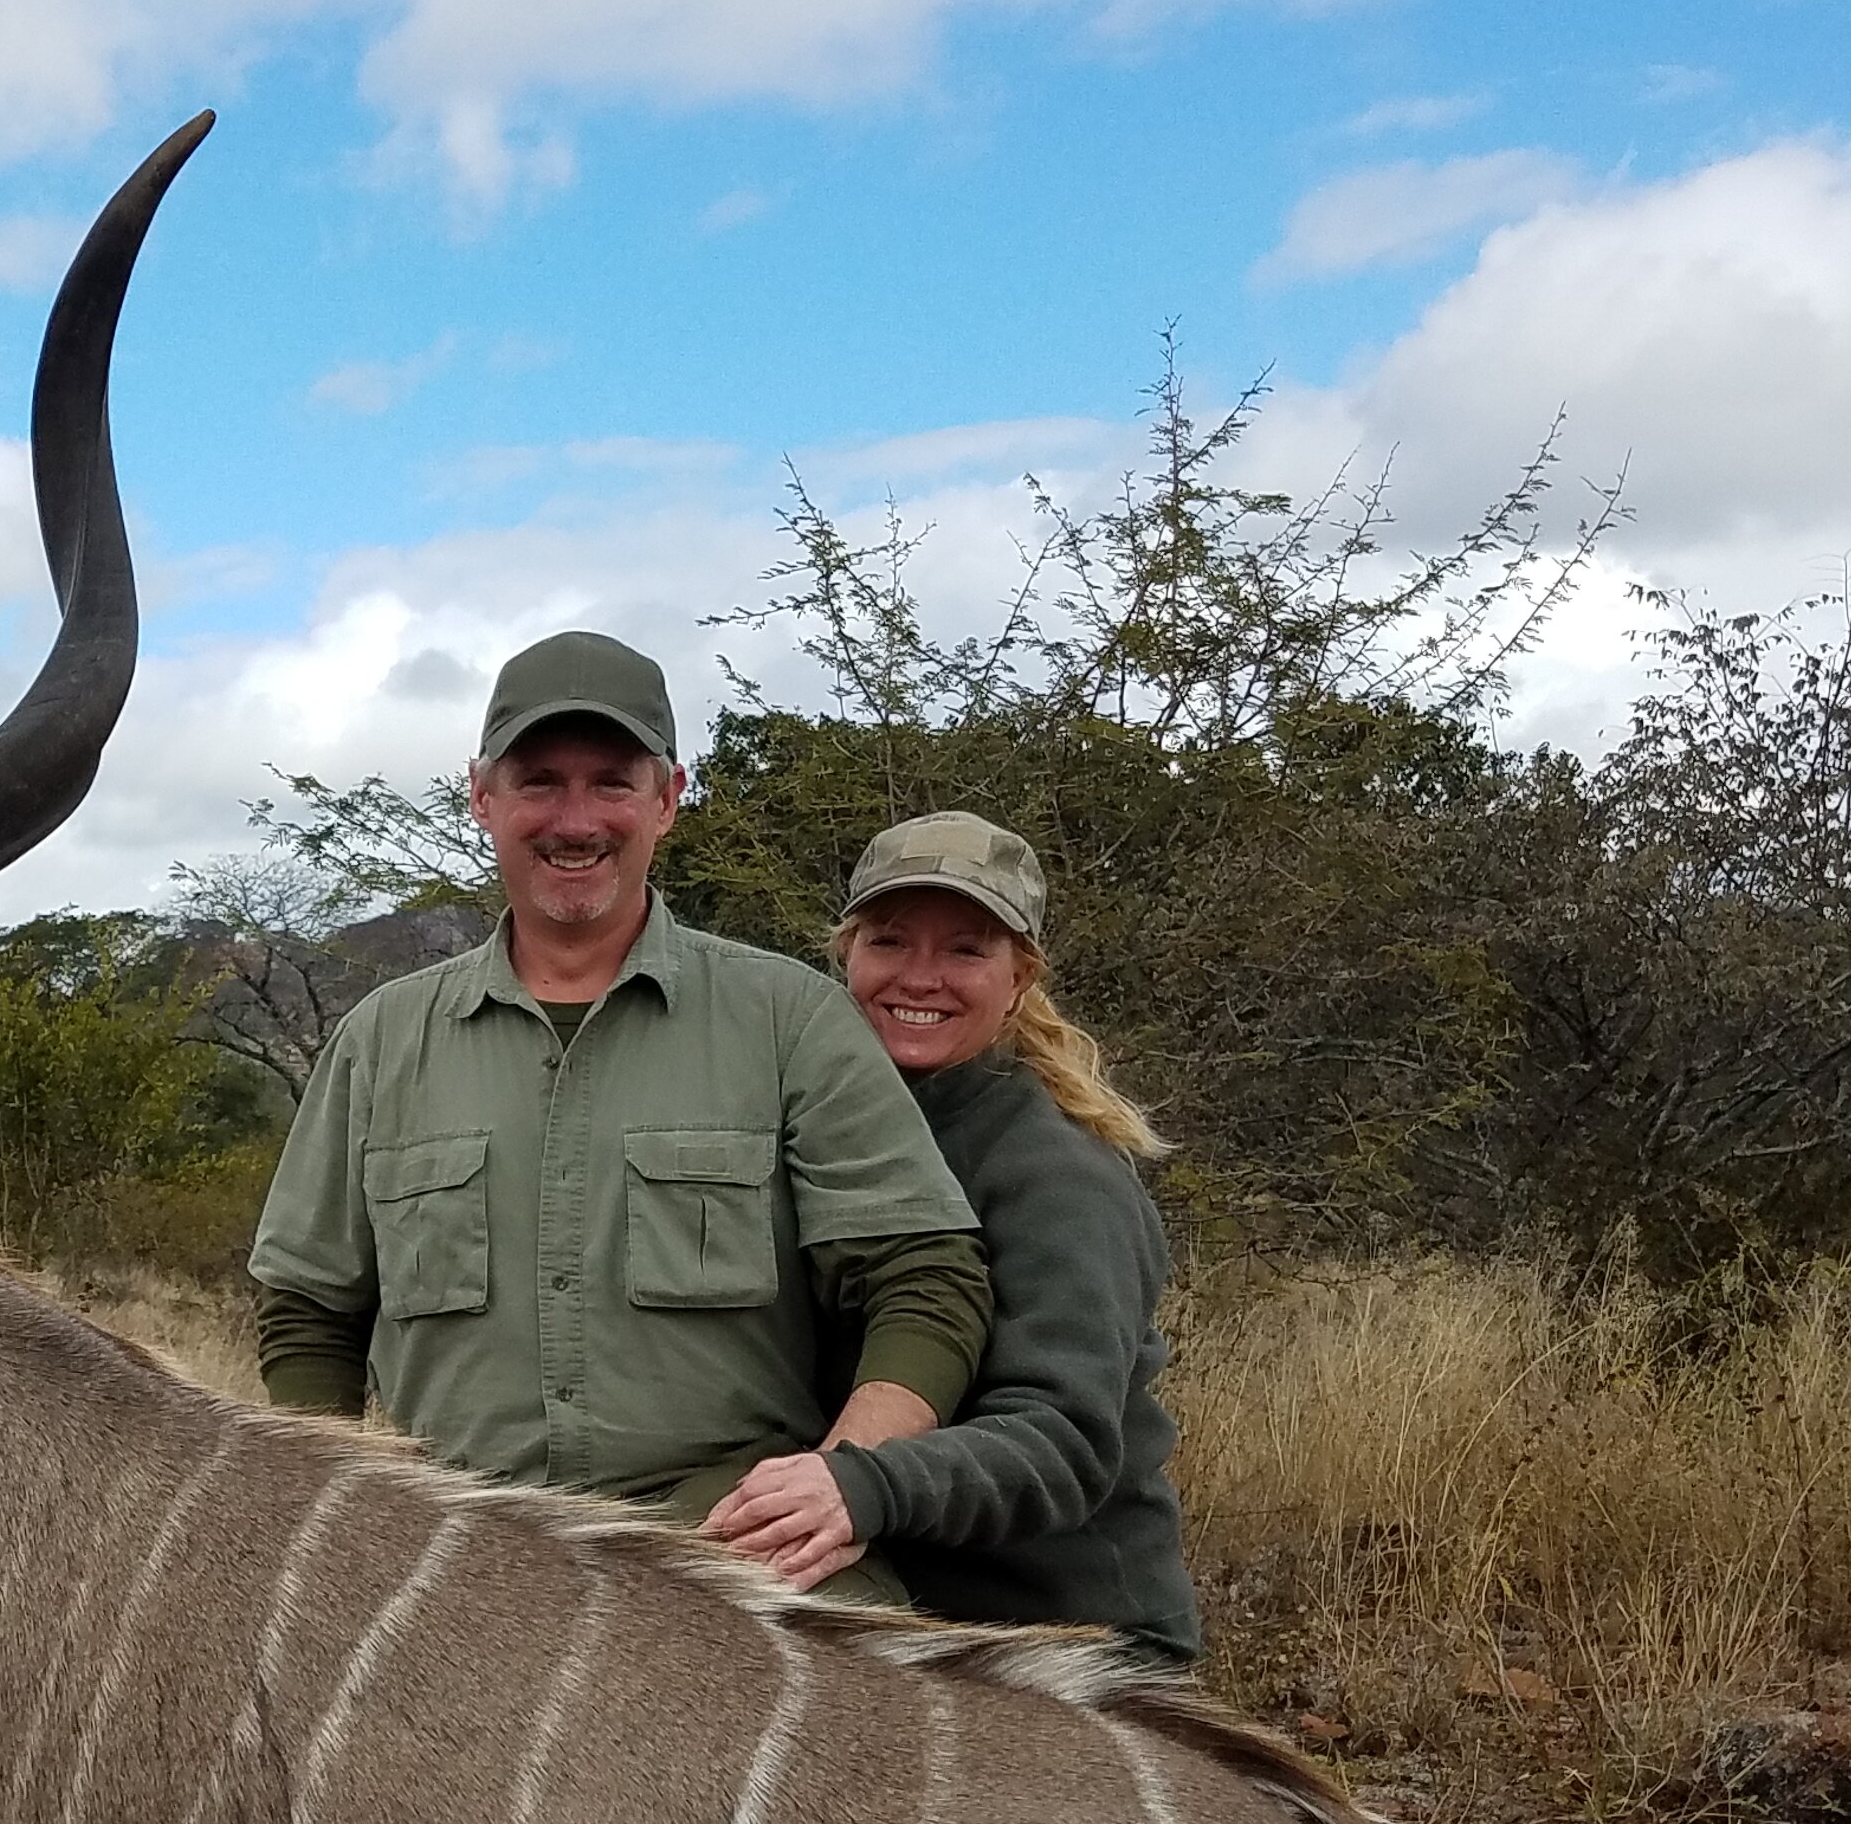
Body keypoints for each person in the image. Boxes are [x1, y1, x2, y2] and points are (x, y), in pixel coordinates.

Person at [248, 632, 993, 1540]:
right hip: (458, 1550)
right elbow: (308, 1311)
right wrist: (342, 1521)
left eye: (612, 781)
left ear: (669, 800)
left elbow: (925, 1276)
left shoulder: (790, 1018)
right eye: (540, 782)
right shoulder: (381, 1039)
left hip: (729, 1545)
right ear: (482, 796)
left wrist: (841, 1484)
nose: (576, 820)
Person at [706, 811, 1204, 1659]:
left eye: (966, 951)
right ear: (847, 958)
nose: (922, 978)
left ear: (1020, 978)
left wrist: (862, 1487)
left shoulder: (1061, 1172)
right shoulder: (821, 1124)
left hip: (1064, 1642)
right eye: (891, 942)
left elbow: (1064, 1440)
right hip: (894, 1608)